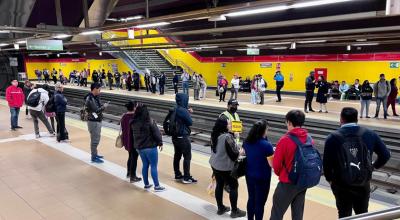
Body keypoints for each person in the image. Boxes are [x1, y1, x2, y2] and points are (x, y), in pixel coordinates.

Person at [323, 107, 391, 218]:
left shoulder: (333, 138)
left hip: (341, 184)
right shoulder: (370, 134)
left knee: (344, 213)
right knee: (363, 213)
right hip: (363, 182)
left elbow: (327, 164)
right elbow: (385, 155)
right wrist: (373, 167)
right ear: (356, 119)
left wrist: (330, 180)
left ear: (341, 119)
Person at [270, 110, 311, 220]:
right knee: (298, 215)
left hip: (287, 183)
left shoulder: (285, 140)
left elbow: (276, 165)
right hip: (303, 182)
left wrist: (281, 174)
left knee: (276, 214)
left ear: (289, 122)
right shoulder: (308, 138)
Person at [209, 117, 247, 218]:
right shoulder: (227, 137)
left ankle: (220, 208)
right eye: (228, 124)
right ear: (224, 126)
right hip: (224, 167)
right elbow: (234, 155)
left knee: (220, 185)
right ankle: (234, 211)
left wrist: (233, 136)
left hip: (215, 165)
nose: (230, 125)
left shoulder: (215, 134)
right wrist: (241, 151)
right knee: (234, 186)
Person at [243, 120, 274, 220]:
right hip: (263, 177)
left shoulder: (246, 142)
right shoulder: (267, 145)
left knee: (251, 198)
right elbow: (271, 164)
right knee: (260, 203)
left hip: (249, 175)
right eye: (267, 130)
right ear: (263, 131)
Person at [131, 103, 165, 192]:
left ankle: (146, 184)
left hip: (139, 148)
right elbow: (157, 134)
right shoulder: (150, 121)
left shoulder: (134, 122)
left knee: (145, 165)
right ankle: (157, 186)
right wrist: (160, 143)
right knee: (153, 166)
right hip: (150, 147)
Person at [172, 93, 197, 184]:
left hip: (175, 137)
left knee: (177, 156)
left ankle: (177, 174)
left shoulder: (176, 108)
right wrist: (188, 113)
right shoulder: (183, 110)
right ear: (184, 100)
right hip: (183, 137)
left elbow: (180, 117)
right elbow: (190, 122)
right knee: (187, 156)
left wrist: (187, 111)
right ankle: (186, 177)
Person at [84, 83, 109, 163]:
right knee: (95, 140)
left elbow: (98, 107)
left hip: (96, 121)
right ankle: (94, 157)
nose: (100, 91)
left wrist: (102, 106)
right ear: (94, 89)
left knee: (95, 139)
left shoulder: (95, 97)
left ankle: (95, 154)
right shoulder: (90, 98)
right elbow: (96, 110)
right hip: (93, 122)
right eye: (99, 89)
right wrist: (104, 107)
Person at [120, 101, 142, 183]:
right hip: (134, 140)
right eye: (135, 106)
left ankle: (128, 173)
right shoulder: (134, 117)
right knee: (134, 158)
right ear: (133, 108)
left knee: (130, 156)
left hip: (126, 140)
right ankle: (133, 176)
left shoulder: (124, 116)